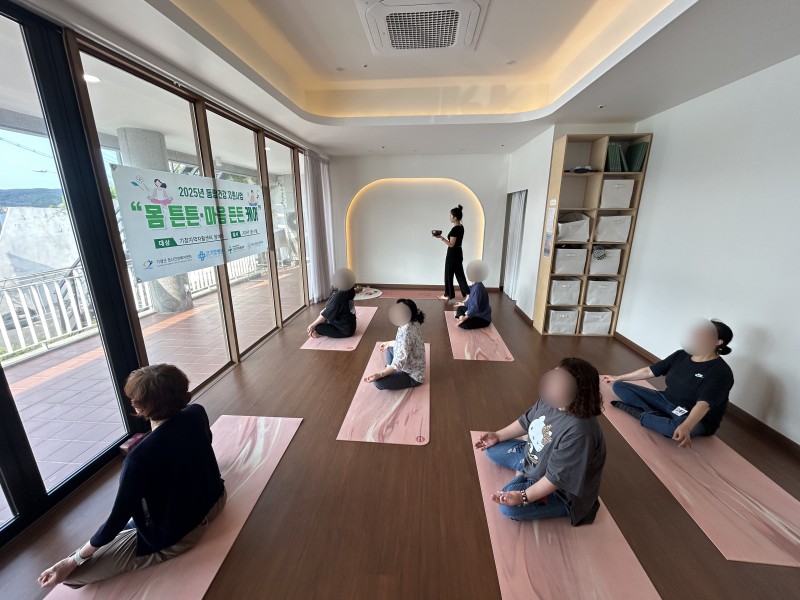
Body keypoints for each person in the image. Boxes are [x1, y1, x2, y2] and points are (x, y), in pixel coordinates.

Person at [38, 364, 226, 589]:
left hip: (183, 533)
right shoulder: (196, 412)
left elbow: (116, 520)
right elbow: (204, 444)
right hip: (216, 499)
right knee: (132, 522)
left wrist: (73, 560)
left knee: (70, 577)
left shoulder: (139, 458)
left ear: (139, 406)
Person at [474, 358, 606, 525]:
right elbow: (526, 421)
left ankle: (525, 475)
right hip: (538, 459)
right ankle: (525, 472)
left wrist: (523, 496)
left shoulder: (581, 431)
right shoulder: (552, 399)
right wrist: (498, 435)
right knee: (492, 449)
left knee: (508, 507)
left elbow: (556, 479)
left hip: (561, 492)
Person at [602, 319, 734, 448]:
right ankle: (651, 413)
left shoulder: (721, 372)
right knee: (619, 385)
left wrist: (686, 426)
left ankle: (638, 413)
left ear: (718, 342)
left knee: (673, 430)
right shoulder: (681, 355)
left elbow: (704, 404)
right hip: (664, 399)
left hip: (692, 414)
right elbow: (649, 371)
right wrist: (618, 377)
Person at [364, 299, 426, 391]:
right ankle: (390, 370)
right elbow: (403, 344)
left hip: (412, 376)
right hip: (410, 361)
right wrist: (388, 343)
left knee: (377, 383)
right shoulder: (410, 323)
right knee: (389, 347)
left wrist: (380, 374)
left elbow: (399, 361)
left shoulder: (407, 333)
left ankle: (390, 371)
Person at [307, 268, 357, 339]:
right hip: (350, 325)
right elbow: (329, 310)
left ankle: (318, 333)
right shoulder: (350, 289)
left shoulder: (339, 296)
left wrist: (313, 325)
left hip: (344, 330)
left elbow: (327, 313)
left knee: (317, 327)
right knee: (321, 318)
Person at [436, 204, 469, 301]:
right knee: (460, 274)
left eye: (450, 215)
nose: (449, 217)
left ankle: (448, 295)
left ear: (455, 217)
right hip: (458, 252)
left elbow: (451, 244)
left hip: (453, 254)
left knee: (448, 274)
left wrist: (441, 238)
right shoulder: (461, 227)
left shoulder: (455, 229)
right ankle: (468, 294)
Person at [454, 259, 492, 330]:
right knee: (460, 308)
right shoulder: (474, 285)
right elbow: (471, 299)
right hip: (474, 311)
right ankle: (461, 318)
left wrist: (466, 317)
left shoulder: (478, 288)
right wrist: (463, 303)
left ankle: (462, 319)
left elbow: (475, 307)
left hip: (482, 317)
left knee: (464, 325)